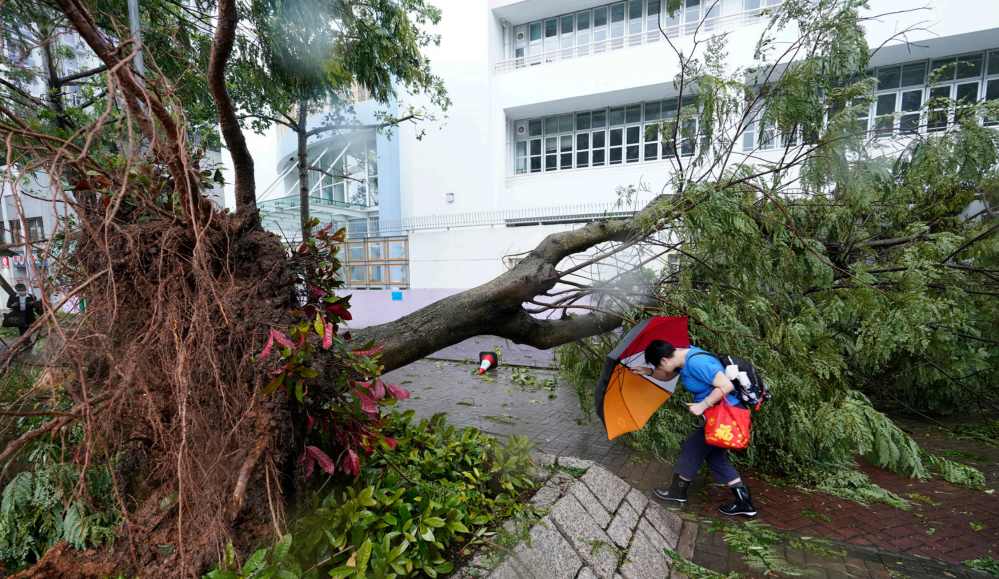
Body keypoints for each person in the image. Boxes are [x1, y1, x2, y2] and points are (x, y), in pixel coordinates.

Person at [631, 339, 757, 517]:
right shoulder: (681, 358)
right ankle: (744, 502)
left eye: (658, 365)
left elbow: (726, 386)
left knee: (691, 447)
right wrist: (649, 371)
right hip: (718, 416)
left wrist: (703, 405)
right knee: (716, 457)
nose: (662, 369)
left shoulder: (697, 362)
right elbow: (667, 375)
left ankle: (677, 492)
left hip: (724, 415)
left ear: (665, 360)